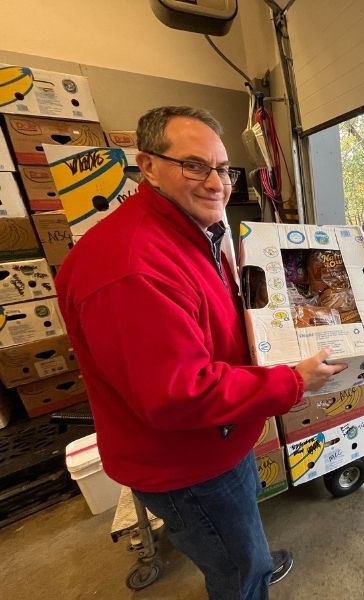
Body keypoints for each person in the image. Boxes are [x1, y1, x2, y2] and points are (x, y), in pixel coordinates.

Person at [55, 106, 344, 600]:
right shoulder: (132, 268)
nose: (216, 183)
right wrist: (291, 381)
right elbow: (178, 395)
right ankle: (246, 568)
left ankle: (248, 550)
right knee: (237, 574)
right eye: (194, 166)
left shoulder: (189, 232)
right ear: (147, 166)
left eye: (222, 168)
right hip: (188, 465)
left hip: (223, 439)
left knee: (242, 527)